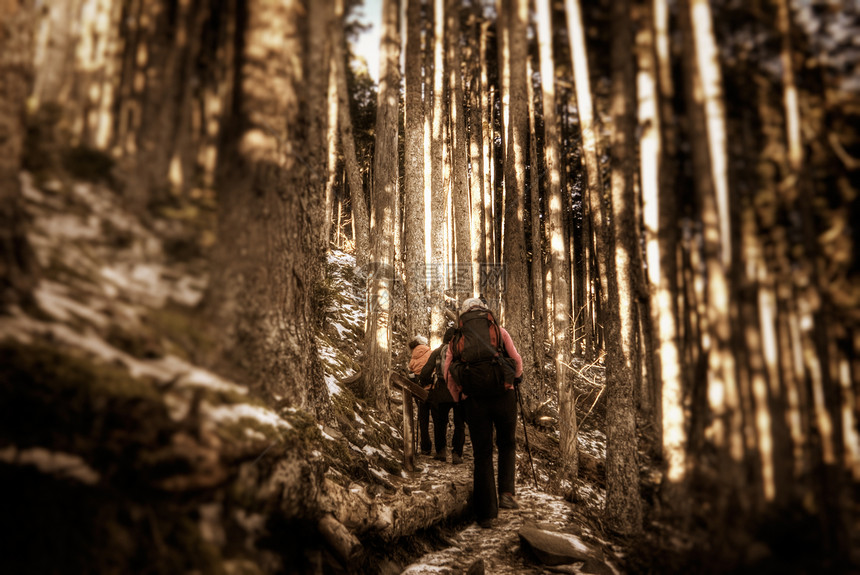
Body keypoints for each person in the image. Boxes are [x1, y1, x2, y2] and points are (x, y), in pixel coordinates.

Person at [444, 298, 523, 528]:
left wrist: (458, 398)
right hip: (503, 396)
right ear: (484, 311)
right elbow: (516, 360)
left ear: (465, 313)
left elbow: (448, 373)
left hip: (474, 401)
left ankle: (487, 514)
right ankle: (507, 493)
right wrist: (516, 378)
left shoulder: (457, 337)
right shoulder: (498, 330)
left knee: (482, 453)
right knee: (507, 443)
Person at [419, 327, 465, 464]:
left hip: (441, 390)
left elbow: (425, 372)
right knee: (459, 423)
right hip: (459, 391)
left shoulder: (438, 351)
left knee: (440, 422)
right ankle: (457, 453)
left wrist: (426, 383)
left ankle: (441, 451)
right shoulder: (463, 351)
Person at [407, 335, 433, 455]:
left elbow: (411, 369)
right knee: (438, 419)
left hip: (419, 389)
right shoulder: (430, 353)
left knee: (423, 419)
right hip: (432, 389)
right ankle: (439, 447)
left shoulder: (413, 357)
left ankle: (425, 446)